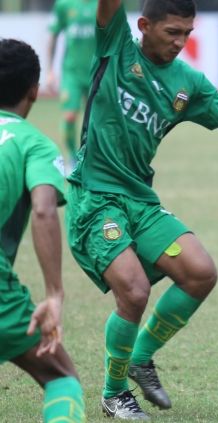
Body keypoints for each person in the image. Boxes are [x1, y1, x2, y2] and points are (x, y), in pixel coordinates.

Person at [66, 0, 218, 419]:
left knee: (200, 273)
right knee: (134, 291)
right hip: (94, 196)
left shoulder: (188, 82)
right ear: (144, 25)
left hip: (140, 200)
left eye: (188, 33)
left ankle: (141, 358)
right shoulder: (117, 46)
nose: (182, 42)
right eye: (172, 33)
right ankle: (113, 394)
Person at [0, 38, 85, 423]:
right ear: (34, 90)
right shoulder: (33, 143)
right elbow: (44, 210)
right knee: (61, 379)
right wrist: (54, 293)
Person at [46, 0, 97, 171]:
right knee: (69, 116)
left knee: (96, 120)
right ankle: (71, 157)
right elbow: (53, 36)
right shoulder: (64, 5)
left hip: (96, 71)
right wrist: (50, 70)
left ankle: (92, 158)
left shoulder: (103, 4)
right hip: (71, 73)